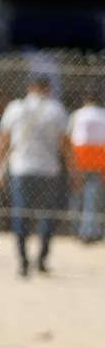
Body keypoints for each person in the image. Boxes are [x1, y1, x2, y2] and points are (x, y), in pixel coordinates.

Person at [0, 76, 71, 277]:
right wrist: (73, 169)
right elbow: (64, 144)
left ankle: (23, 261)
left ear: (30, 87)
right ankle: (42, 259)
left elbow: (4, 139)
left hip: (21, 167)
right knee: (47, 214)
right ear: (48, 88)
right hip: (48, 169)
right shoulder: (56, 110)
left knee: (20, 213)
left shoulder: (16, 108)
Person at [67, 91, 105, 243]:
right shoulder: (103, 115)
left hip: (80, 156)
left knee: (76, 195)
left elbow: (69, 136)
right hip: (99, 157)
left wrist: (70, 163)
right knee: (94, 196)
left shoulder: (77, 115)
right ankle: (91, 230)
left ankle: (76, 228)